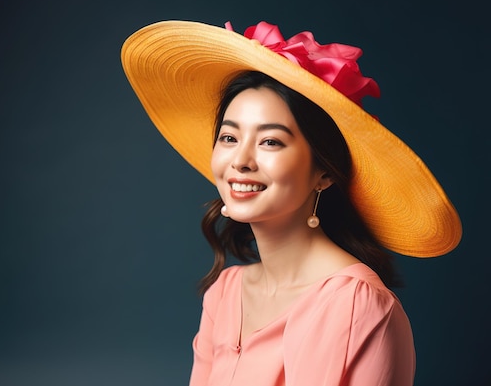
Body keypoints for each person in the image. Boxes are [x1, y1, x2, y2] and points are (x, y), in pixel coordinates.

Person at [121, 20, 462, 386]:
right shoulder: (226, 293)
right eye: (229, 137)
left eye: (270, 142)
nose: (241, 161)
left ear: (324, 173)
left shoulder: (359, 306)